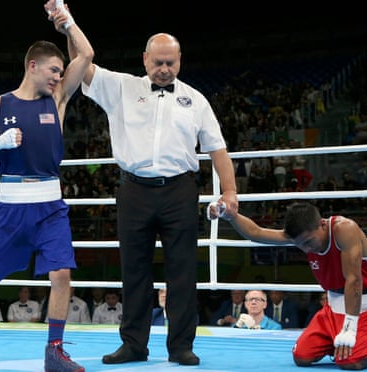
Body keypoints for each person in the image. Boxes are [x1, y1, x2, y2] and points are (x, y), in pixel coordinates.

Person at [66, 20, 238, 366]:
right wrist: (68, 27)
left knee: (183, 272)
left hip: (179, 191)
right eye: (158, 62)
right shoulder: (122, 87)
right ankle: (133, 344)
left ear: (179, 61)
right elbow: (82, 66)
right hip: (134, 191)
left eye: (170, 63)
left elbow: (217, 149)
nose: (163, 69)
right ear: (145, 59)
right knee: (134, 271)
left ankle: (181, 347)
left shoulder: (196, 100)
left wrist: (230, 191)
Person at [0, 2, 94, 371]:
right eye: (54, 70)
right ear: (33, 66)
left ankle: (53, 350)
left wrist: (66, 21)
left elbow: (86, 53)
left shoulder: (56, 99)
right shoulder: (0, 103)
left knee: (62, 274)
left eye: (61, 71)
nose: (59, 76)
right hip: (10, 208)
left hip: (50, 206)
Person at [208, 201, 367, 369]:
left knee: (351, 362)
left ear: (321, 224)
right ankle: (343, 345)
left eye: (309, 242)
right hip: (333, 309)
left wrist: (350, 328)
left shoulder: (345, 229)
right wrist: (230, 215)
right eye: (301, 245)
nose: (307, 248)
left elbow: (354, 280)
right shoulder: (301, 236)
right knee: (302, 357)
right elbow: (256, 232)